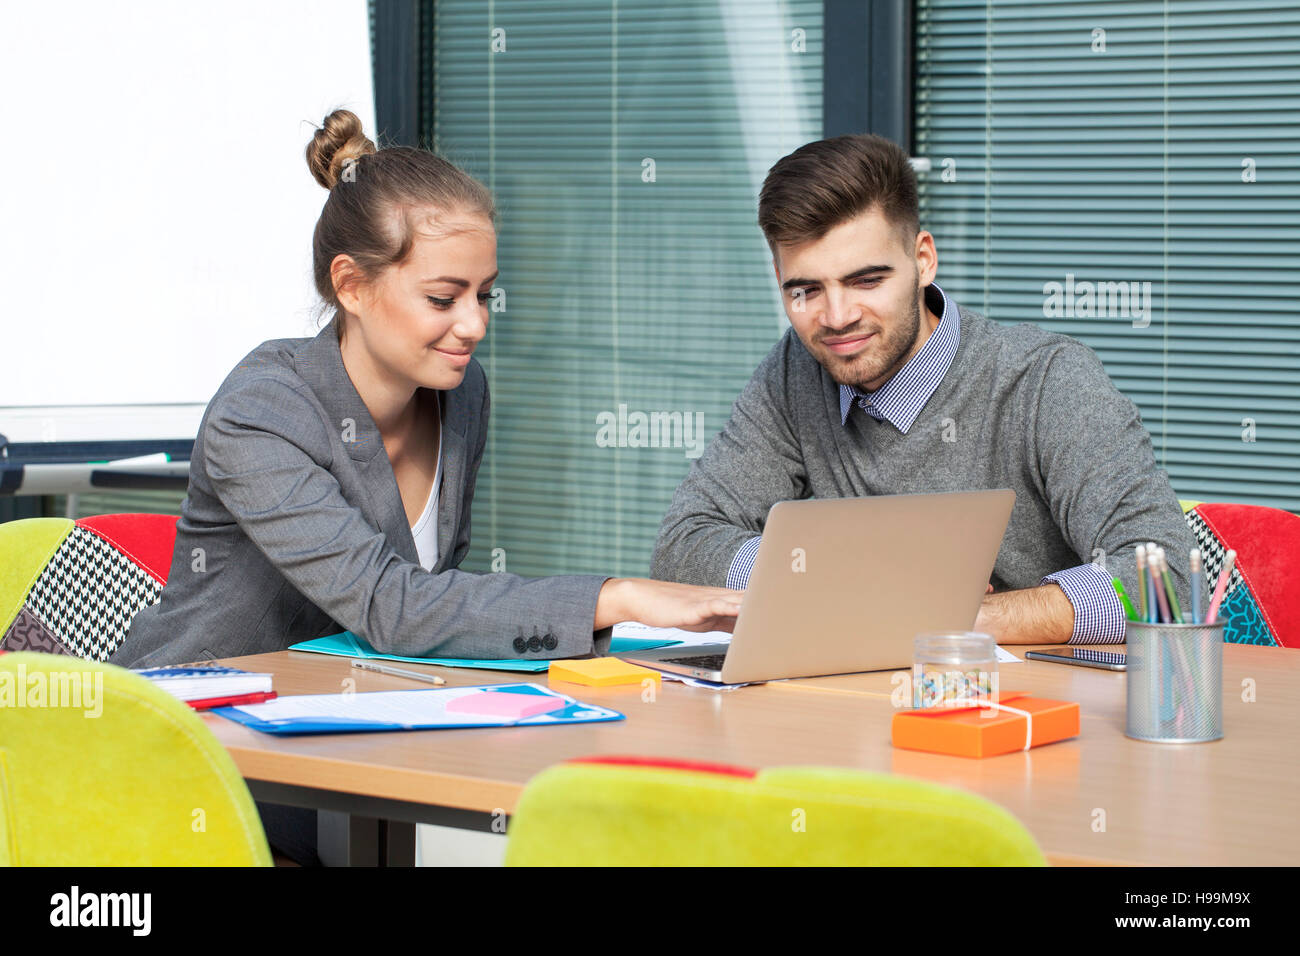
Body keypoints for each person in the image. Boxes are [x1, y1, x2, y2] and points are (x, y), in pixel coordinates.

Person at [112, 108, 741, 669]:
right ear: (351, 286)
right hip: (201, 739)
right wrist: (620, 597)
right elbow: (391, 603)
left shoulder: (460, 394)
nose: (475, 324)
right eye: (444, 297)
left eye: (484, 293)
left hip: (364, 720)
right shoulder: (260, 414)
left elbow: (433, 601)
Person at [650, 133, 1197, 644]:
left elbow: (1166, 580)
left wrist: (953, 615)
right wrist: (852, 568)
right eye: (806, 290)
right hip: (864, 709)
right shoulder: (795, 371)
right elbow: (683, 546)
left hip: (1030, 715)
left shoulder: (1046, 380)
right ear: (779, 280)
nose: (837, 317)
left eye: (867, 280)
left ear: (923, 259)